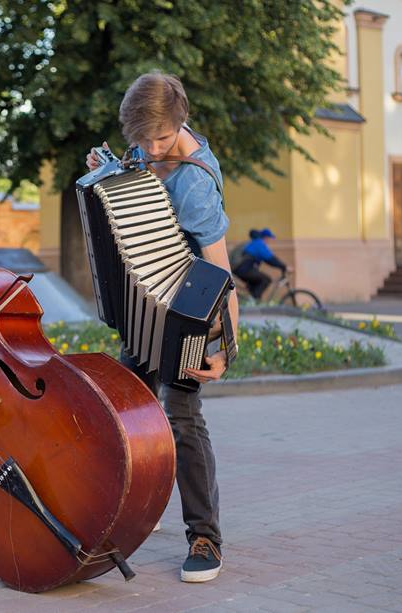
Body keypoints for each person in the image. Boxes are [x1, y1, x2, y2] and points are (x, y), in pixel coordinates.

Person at [85, 71, 239, 583]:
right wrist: (110, 171)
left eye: (160, 138)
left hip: (190, 316)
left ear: (180, 122)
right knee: (127, 410)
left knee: (182, 417)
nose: (150, 149)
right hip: (147, 310)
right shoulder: (146, 149)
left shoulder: (194, 182)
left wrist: (228, 346)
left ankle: (205, 537)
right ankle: (121, 518)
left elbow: (220, 270)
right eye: (140, 140)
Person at [232, 228, 287, 301]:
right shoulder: (259, 244)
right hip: (243, 269)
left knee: (256, 282)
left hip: (240, 268)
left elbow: (268, 260)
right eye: (270, 238)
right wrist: (283, 266)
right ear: (266, 237)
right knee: (266, 279)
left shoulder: (256, 243)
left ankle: (252, 301)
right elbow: (270, 259)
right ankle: (254, 300)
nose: (270, 241)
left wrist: (281, 266)